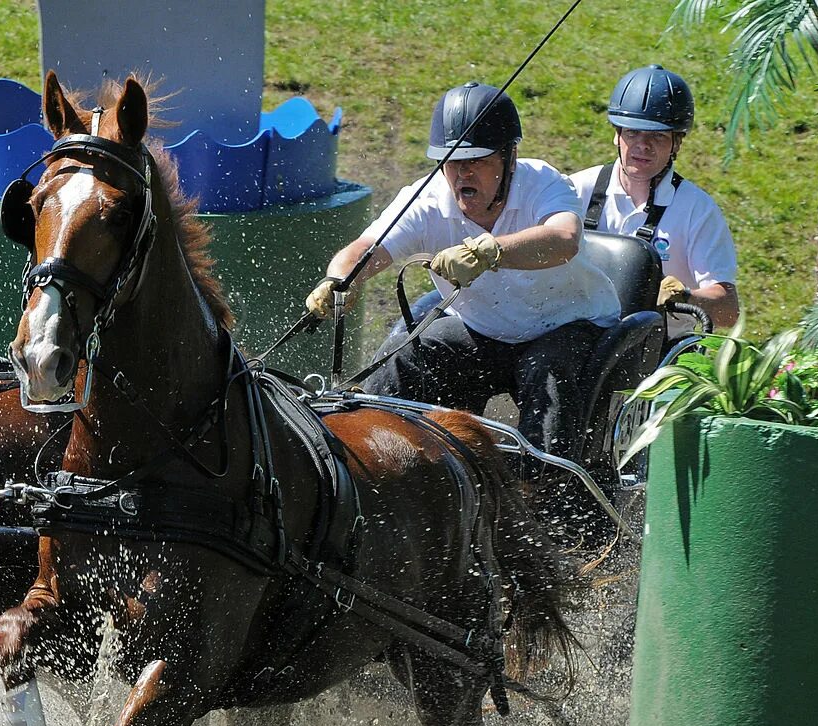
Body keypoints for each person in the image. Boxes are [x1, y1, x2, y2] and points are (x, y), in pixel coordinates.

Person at [305, 81, 617, 467]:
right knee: (406, 356)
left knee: (547, 371)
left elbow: (564, 239)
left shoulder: (544, 182)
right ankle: (369, 469)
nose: (462, 173)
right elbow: (364, 250)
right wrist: (339, 281)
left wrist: (491, 252)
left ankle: (545, 498)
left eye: (478, 161)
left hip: (569, 324)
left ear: (509, 159)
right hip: (484, 329)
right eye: (452, 161)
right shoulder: (425, 200)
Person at [569, 64, 739, 331]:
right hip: (578, 336)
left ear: (677, 143)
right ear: (617, 135)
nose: (642, 145)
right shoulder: (577, 189)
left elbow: (728, 310)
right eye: (632, 132)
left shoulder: (698, 210)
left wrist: (684, 297)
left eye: (657, 136)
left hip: (659, 348)